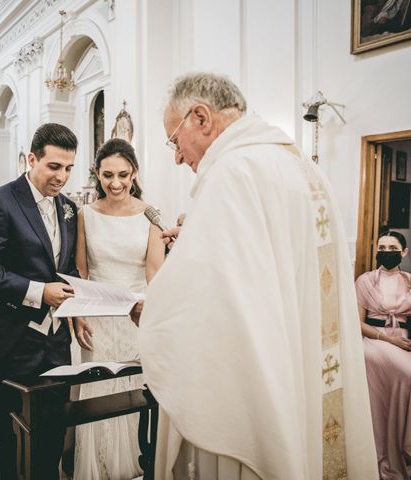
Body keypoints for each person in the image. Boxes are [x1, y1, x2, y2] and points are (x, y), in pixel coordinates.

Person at [136, 73, 379, 479]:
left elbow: (215, 301)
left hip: (248, 387)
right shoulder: (300, 165)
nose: (177, 157)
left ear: (201, 117)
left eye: (173, 140)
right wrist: (199, 234)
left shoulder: (233, 171)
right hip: (302, 370)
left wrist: (154, 309)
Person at [0, 123, 80, 479]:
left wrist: (80, 303)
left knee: (52, 431)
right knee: (14, 436)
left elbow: (65, 265)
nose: (62, 176)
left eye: (69, 168)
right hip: (11, 338)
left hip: (56, 340)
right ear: (32, 159)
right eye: (54, 166)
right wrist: (38, 291)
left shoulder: (69, 209)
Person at [72, 138, 164, 479]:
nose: (115, 183)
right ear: (97, 173)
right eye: (108, 174)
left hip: (136, 316)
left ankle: (139, 465)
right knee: (99, 392)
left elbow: (154, 273)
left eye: (123, 174)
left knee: (132, 391)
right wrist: (78, 314)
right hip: (96, 316)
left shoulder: (150, 215)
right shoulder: (86, 214)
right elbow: (81, 271)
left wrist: (154, 313)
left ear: (134, 172)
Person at [355, 231, 411, 479]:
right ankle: (396, 445)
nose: (386, 251)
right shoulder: (365, 281)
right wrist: (389, 339)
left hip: (405, 340)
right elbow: (357, 323)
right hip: (375, 339)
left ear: (403, 252)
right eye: (382, 247)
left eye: (392, 247)